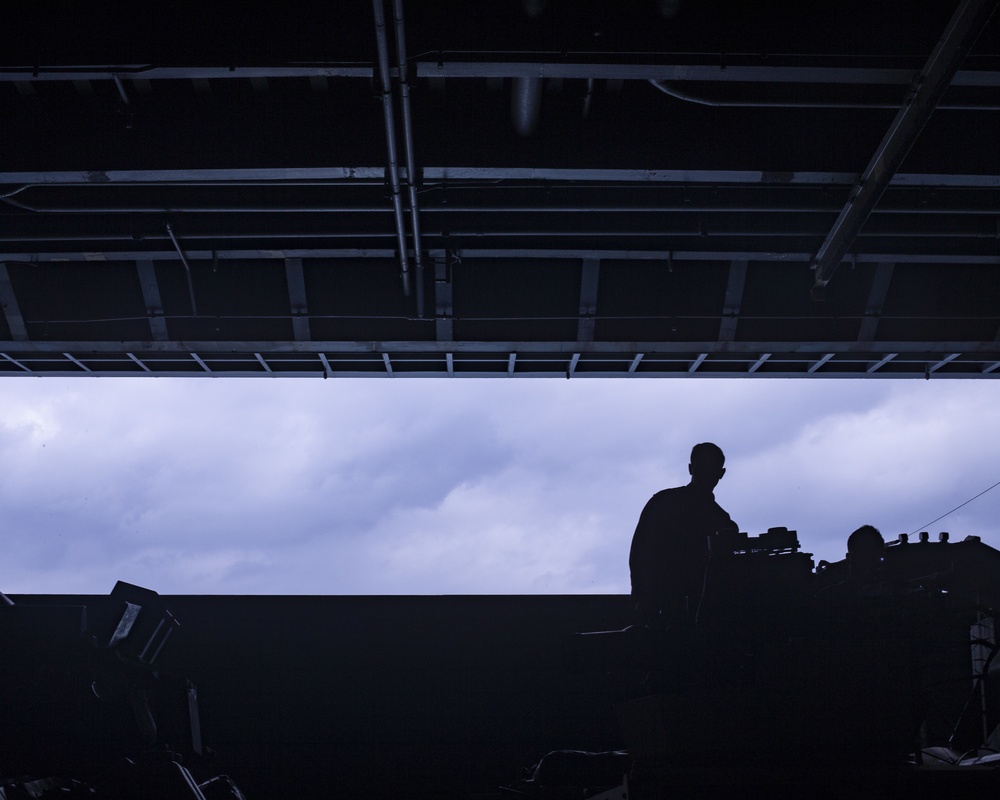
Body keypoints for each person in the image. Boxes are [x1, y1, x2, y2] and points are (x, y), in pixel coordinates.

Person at [628, 442, 739, 628]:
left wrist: (641, 598)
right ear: (722, 474)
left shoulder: (662, 503)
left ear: (690, 469)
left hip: (662, 610)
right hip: (697, 617)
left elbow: (639, 553)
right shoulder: (723, 523)